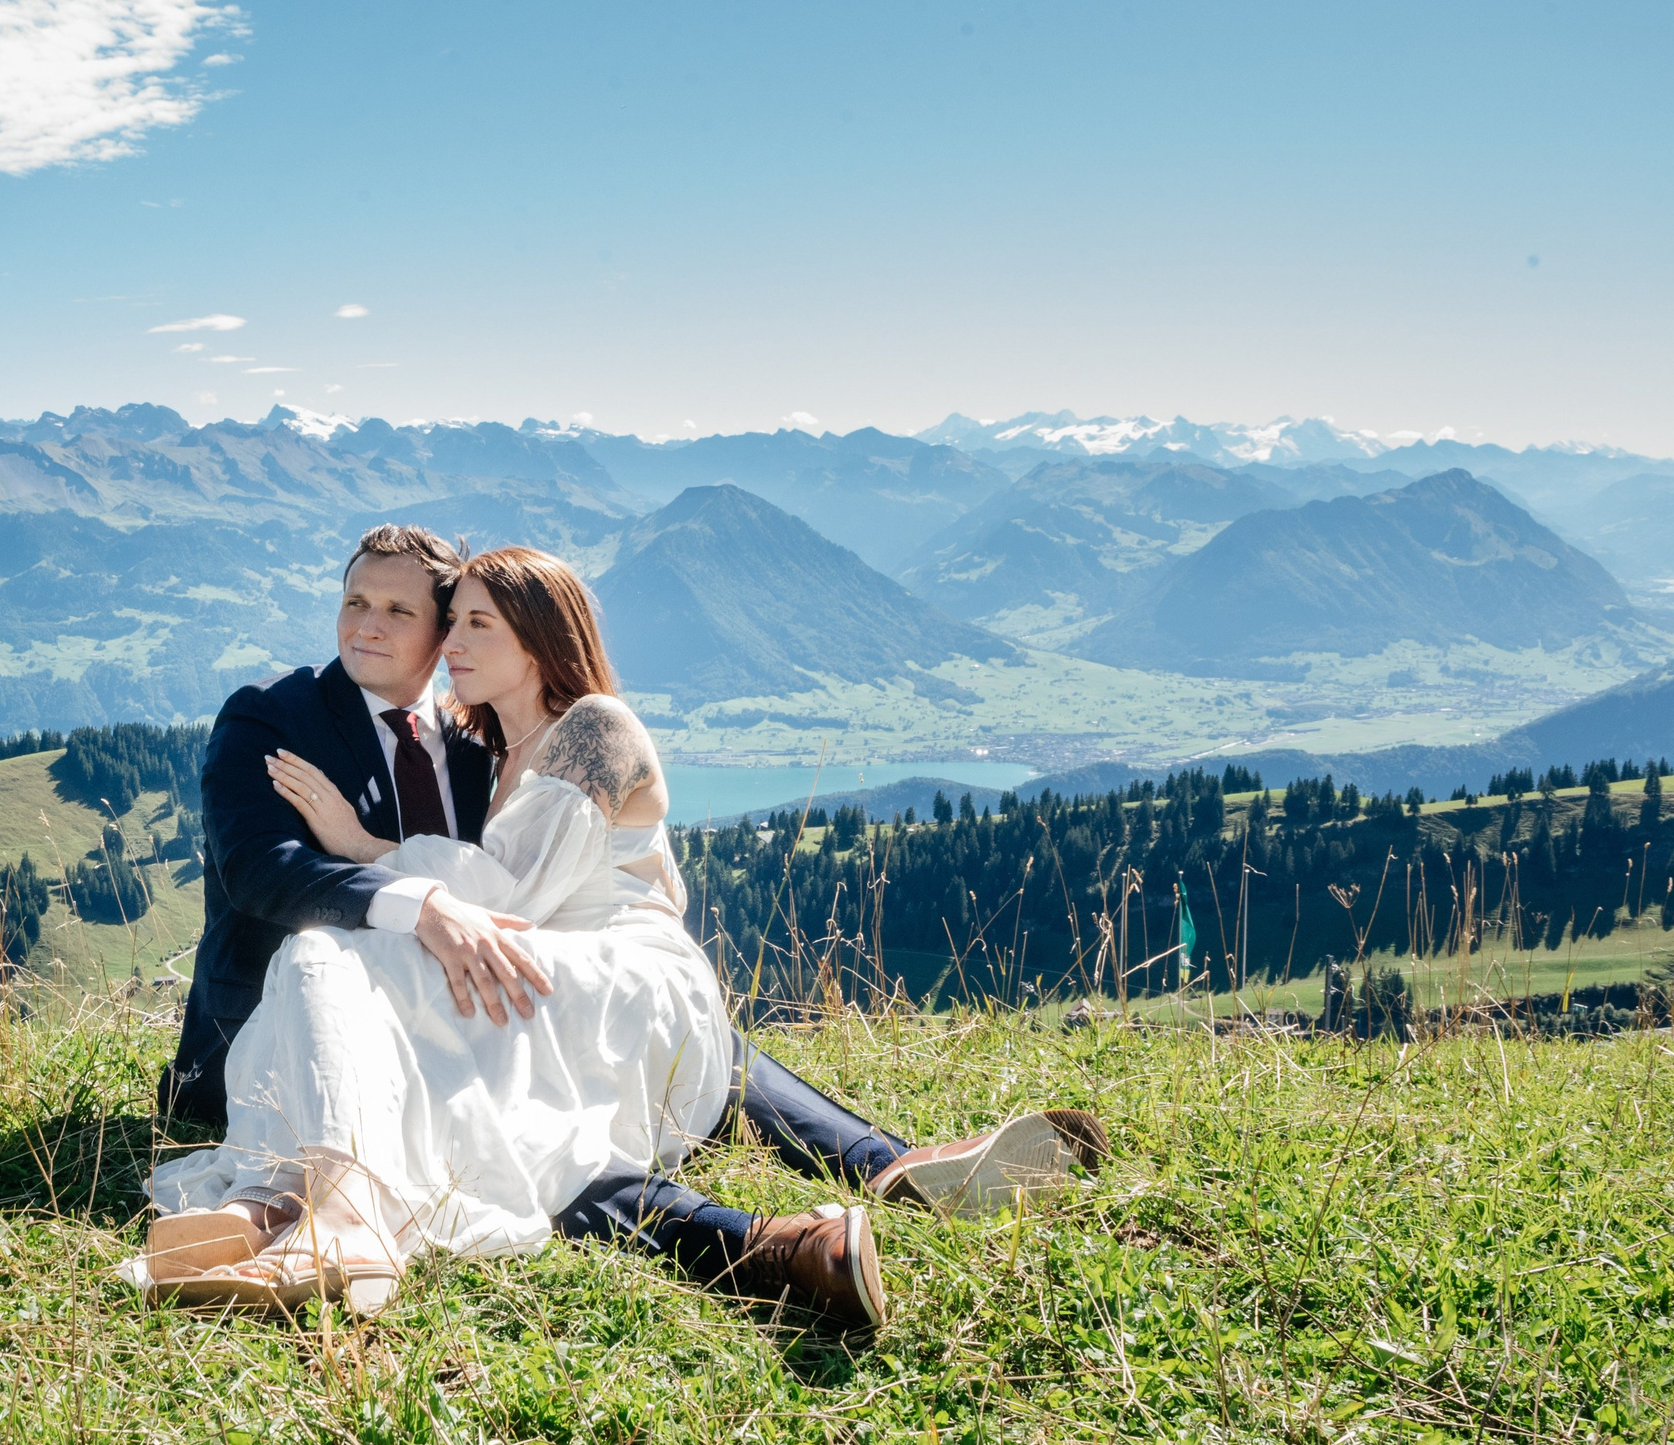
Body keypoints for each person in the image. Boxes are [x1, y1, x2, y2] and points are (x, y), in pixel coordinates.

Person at [142, 529, 1104, 1328]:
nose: (368, 624)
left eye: (418, 613)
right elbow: (260, 870)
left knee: (539, 1078)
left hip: (595, 970)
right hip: (474, 988)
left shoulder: (579, 730)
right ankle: (858, 1187)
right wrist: (412, 894)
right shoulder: (345, 725)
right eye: (355, 601)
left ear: (488, 638)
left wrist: (367, 845)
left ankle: (301, 1208)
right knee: (517, 1109)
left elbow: (505, 897)